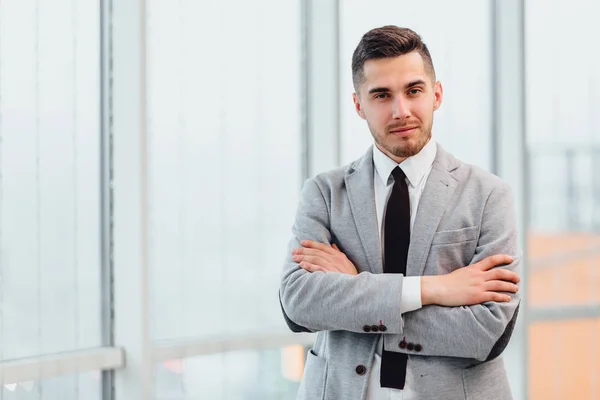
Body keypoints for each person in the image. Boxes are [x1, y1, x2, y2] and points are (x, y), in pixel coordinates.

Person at [279, 25, 522, 400]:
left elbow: (487, 331)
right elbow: (298, 303)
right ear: (359, 105)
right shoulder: (325, 194)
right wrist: (435, 289)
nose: (401, 110)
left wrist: (355, 288)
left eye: (414, 90)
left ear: (436, 94)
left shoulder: (489, 195)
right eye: (381, 95)